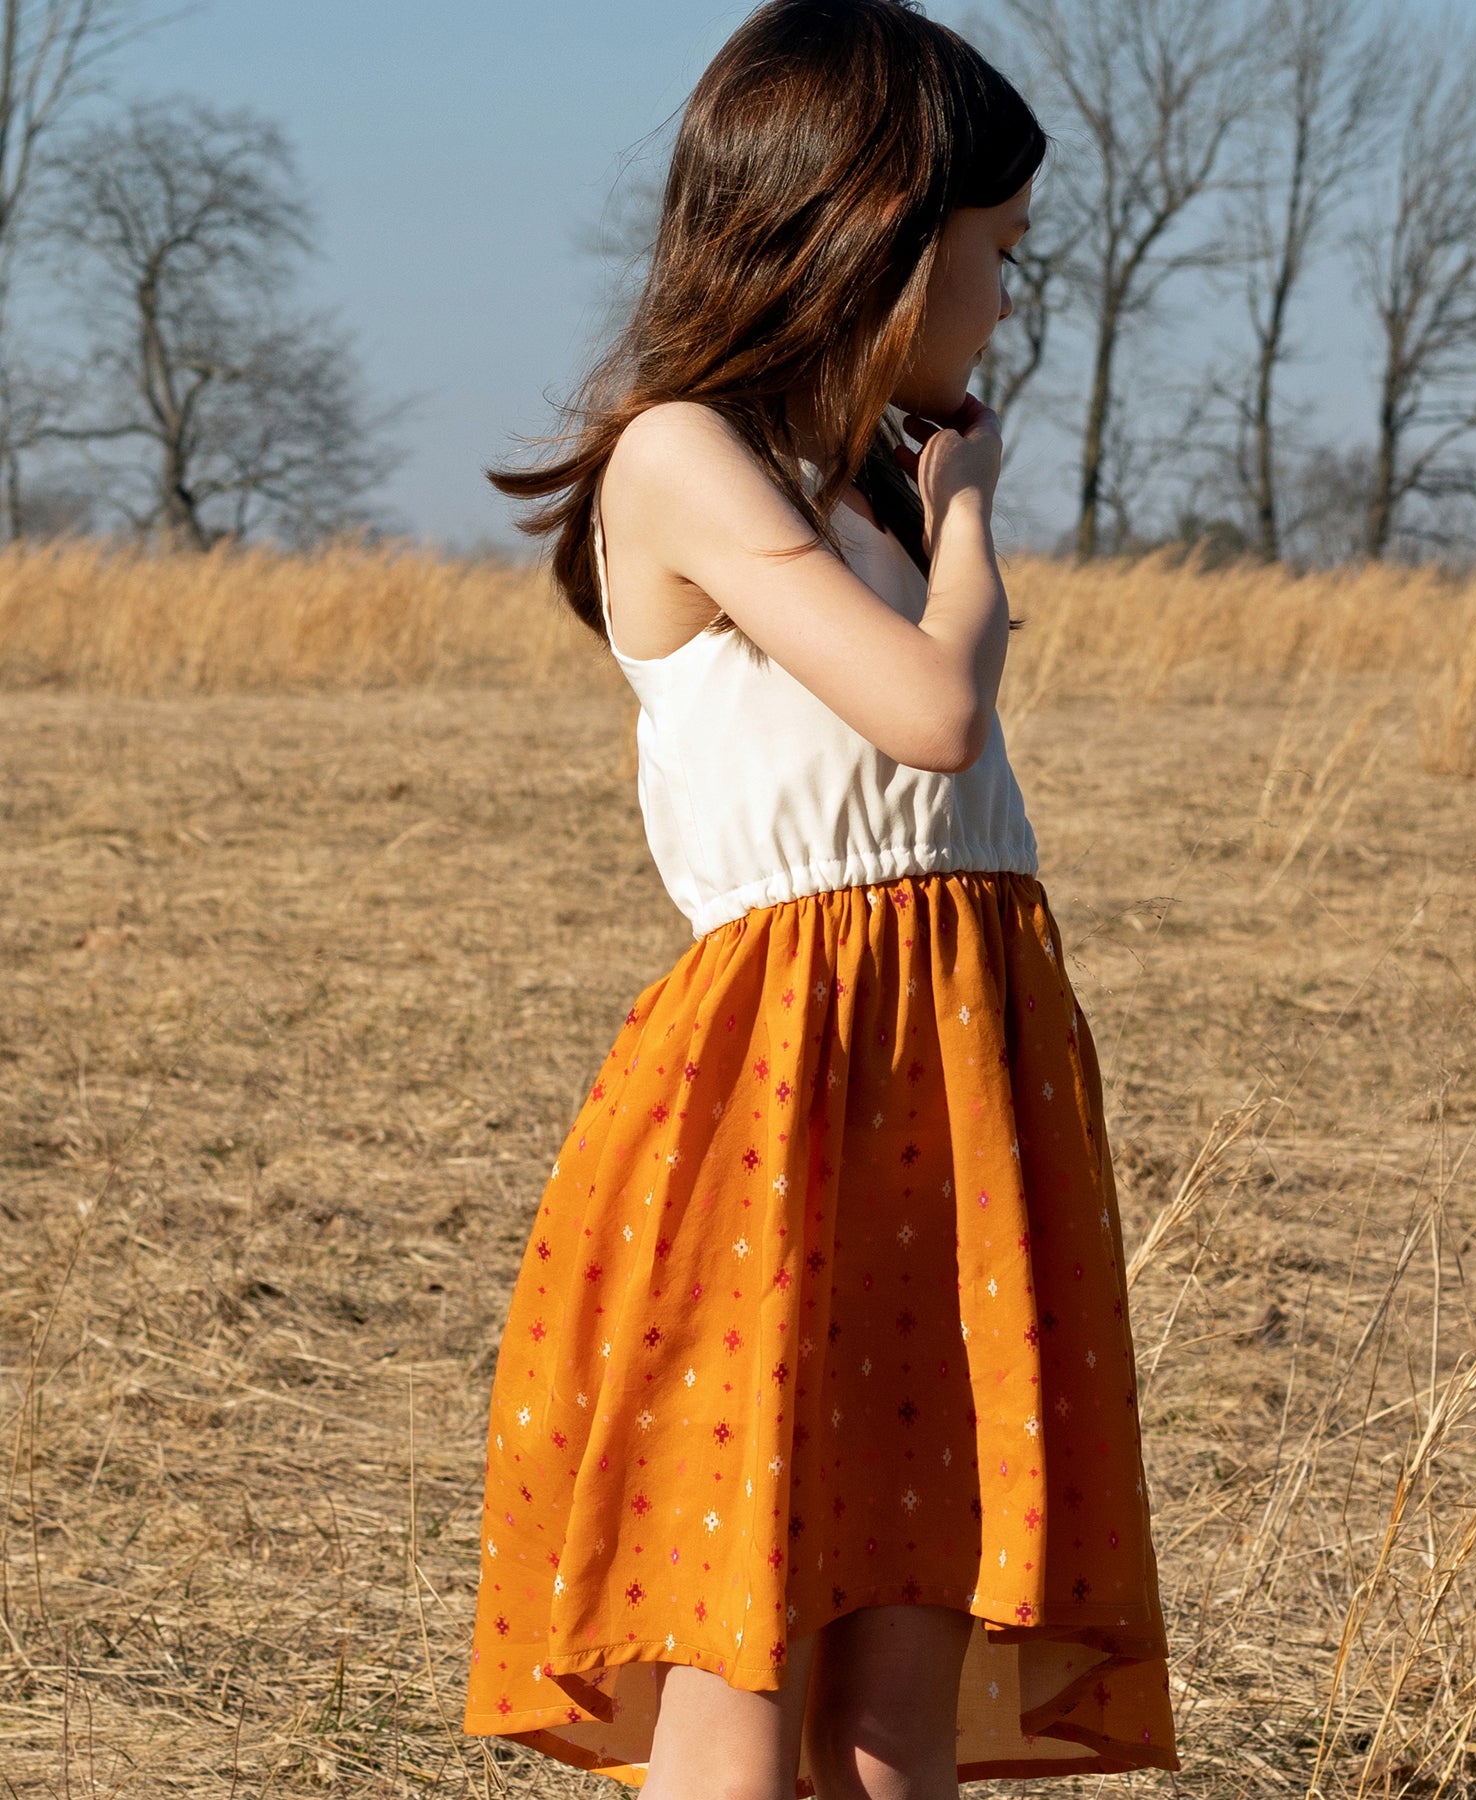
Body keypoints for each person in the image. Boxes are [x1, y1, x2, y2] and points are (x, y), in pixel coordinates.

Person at [460, 2, 1177, 1793]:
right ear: (876, 234)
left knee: (903, 1663)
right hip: (780, 1089)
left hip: (962, 1074)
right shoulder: (681, 457)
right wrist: (972, 519)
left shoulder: (859, 478)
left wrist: (933, 509)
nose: (1007, 300)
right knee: (744, 1646)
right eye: (996, 250)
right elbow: (933, 713)